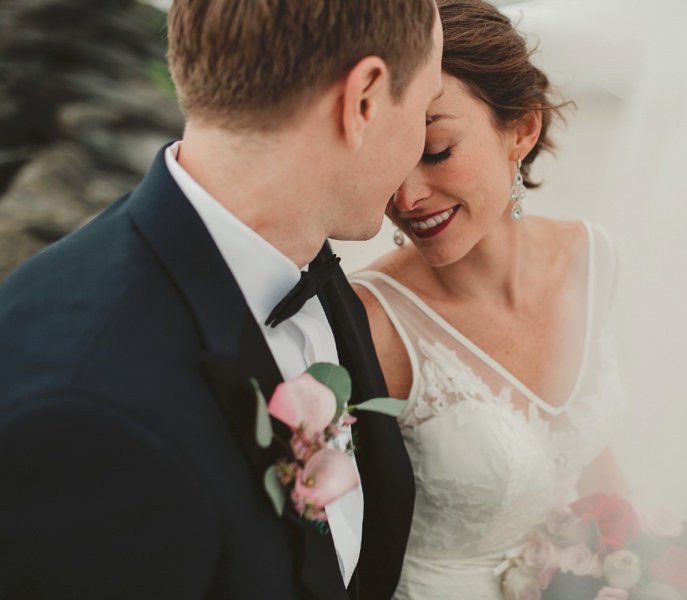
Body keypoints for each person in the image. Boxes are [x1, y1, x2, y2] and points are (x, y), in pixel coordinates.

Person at [0, 1, 442, 599]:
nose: (419, 144)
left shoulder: (307, 253)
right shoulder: (83, 412)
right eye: (424, 107)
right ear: (362, 98)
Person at [350, 1, 628, 598]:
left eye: (436, 149)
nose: (406, 194)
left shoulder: (592, 259)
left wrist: (642, 569)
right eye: (388, 158)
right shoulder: (370, 323)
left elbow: (592, 465)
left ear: (521, 130)